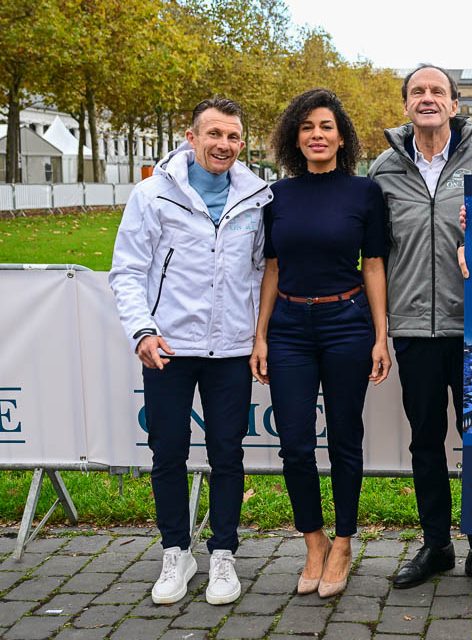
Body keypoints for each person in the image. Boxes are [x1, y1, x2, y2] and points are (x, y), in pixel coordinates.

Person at [109, 97, 270, 606]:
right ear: (191, 137)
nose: (224, 145)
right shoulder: (152, 194)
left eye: (233, 137)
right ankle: (176, 551)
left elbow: (264, 269)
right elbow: (128, 270)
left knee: (228, 454)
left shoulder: (258, 196)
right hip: (169, 349)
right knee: (168, 454)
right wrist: (142, 331)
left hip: (230, 351)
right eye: (214, 134)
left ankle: (223, 554)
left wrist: (256, 336)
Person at [367, 64, 472, 598]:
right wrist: (380, 330)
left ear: (454, 104)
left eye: (438, 91)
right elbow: (375, 256)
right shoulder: (383, 170)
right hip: (412, 328)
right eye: (417, 91)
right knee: (426, 441)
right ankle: (436, 544)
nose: (427, 98)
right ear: (406, 104)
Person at [250, 88, 391, 598]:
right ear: (295, 136)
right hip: (288, 327)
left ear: (341, 136)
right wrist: (261, 335)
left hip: (346, 323)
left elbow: (373, 265)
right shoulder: (277, 196)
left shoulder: (364, 193)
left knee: (345, 440)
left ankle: (345, 543)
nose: (317, 135)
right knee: (294, 444)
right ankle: (313, 541)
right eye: (307, 127)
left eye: (326, 126)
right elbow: (272, 267)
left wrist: (381, 335)